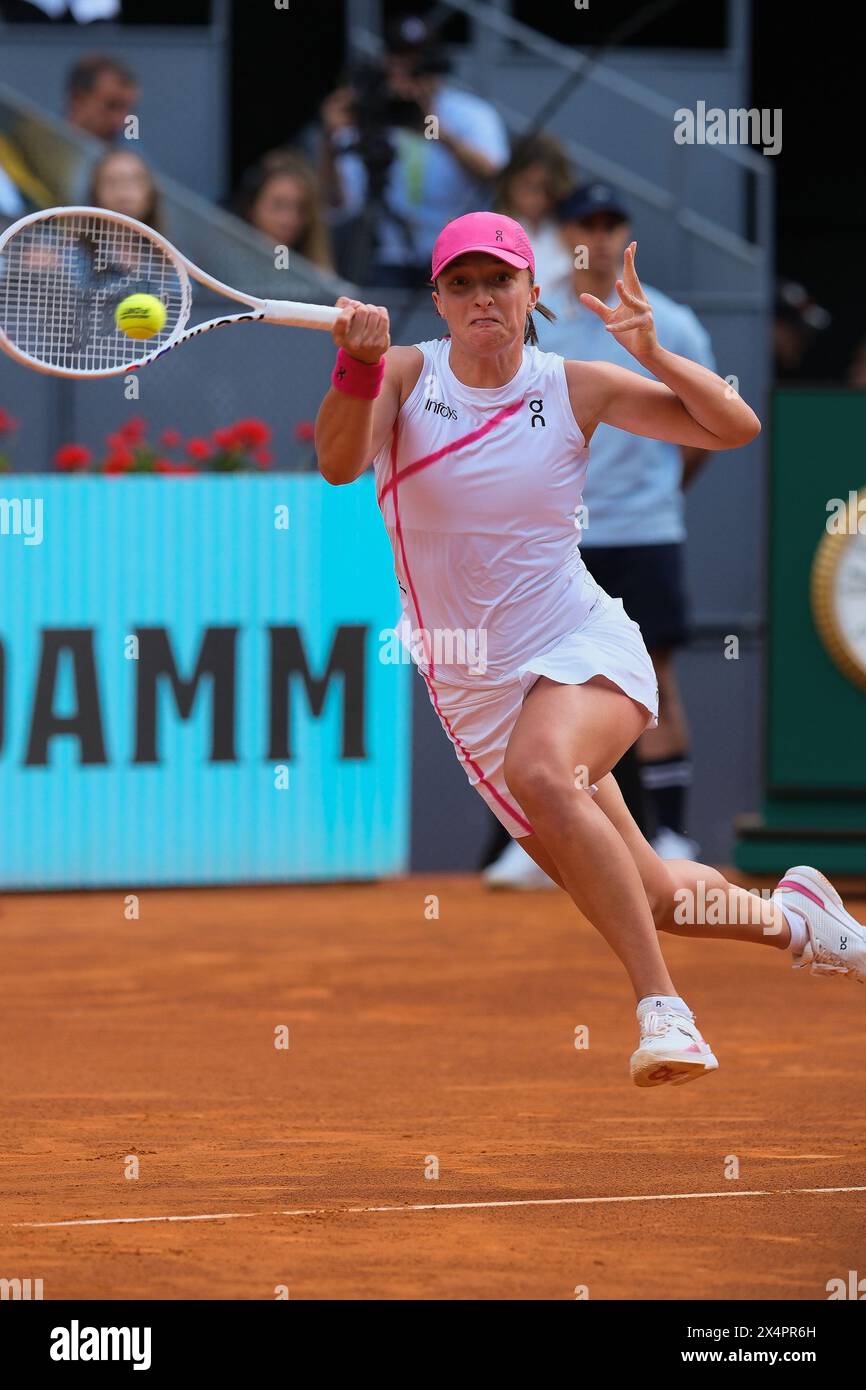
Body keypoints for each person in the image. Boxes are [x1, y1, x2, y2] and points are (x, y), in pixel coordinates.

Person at [313, 209, 866, 1089]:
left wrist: (651, 349)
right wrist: (359, 363)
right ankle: (804, 922)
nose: (482, 297)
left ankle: (664, 1011)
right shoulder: (405, 376)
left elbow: (733, 428)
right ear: (439, 301)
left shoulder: (575, 384)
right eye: (462, 284)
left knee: (545, 772)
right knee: (650, 894)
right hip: (473, 696)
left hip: (579, 642)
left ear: (535, 292)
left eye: (500, 280)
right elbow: (340, 463)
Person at [537, 183, 718, 861]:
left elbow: (709, 421)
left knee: (655, 680)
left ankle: (668, 835)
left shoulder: (670, 324)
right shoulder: (544, 317)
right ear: (563, 233)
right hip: (566, 541)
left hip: (646, 534)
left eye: (613, 223)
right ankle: (553, 843)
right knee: (556, 688)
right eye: (588, 222)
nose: (603, 235)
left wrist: (661, 490)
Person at [317, 14, 509, 287]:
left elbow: (498, 175)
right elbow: (337, 202)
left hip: (460, 253)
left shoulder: (471, 114)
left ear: (437, 70)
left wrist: (436, 131)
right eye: (399, 67)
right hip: (390, 257)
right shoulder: (371, 114)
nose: (407, 81)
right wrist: (330, 139)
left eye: (418, 71)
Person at [493, 133, 574, 290]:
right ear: (510, 182)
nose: (537, 198)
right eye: (527, 185)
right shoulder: (495, 233)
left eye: (546, 188)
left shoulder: (573, 231)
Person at [234, 151, 334, 273]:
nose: (289, 220)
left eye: (301, 208)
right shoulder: (225, 269)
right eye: (278, 206)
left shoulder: (319, 273)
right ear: (252, 207)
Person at [65, 52, 139, 143]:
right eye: (111, 106)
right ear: (77, 98)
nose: (120, 122)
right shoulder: (43, 146)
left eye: (128, 111)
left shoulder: (130, 153)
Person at [87, 147, 163, 231]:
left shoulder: (167, 244)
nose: (123, 195)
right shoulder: (72, 243)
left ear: (150, 192)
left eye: (133, 181)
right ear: (96, 192)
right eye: (111, 182)